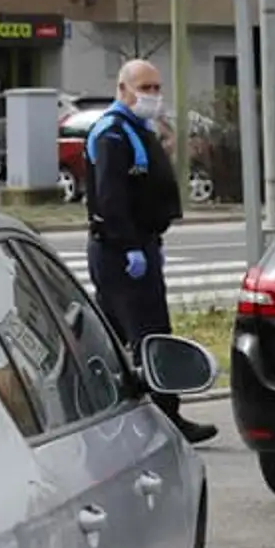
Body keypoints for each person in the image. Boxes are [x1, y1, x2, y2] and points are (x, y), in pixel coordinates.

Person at [85, 59, 219, 444]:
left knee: (113, 336)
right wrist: (130, 247)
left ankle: (115, 414)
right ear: (123, 89)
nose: (153, 96)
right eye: (146, 88)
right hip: (121, 251)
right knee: (151, 336)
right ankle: (166, 420)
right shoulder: (113, 134)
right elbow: (111, 199)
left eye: (157, 88)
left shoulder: (134, 130)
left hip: (136, 246)